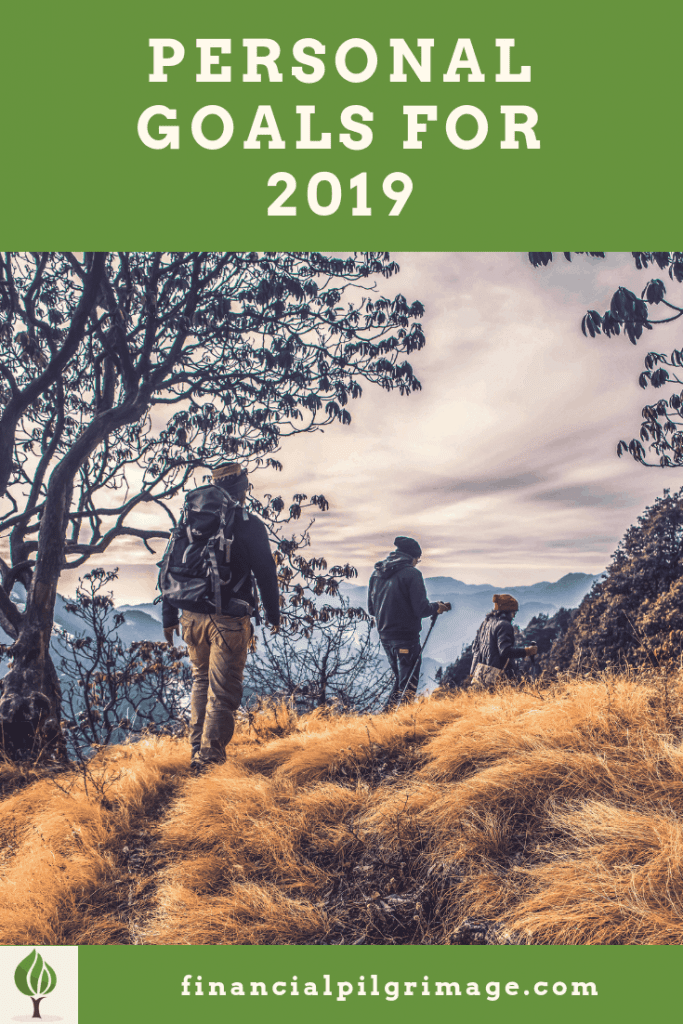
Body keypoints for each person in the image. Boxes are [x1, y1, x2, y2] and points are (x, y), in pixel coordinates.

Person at [161, 463, 280, 771]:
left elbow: (169, 566)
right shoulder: (247, 523)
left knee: (201, 682)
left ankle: (197, 752)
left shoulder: (190, 521)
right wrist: (272, 613)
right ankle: (209, 762)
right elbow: (266, 572)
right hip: (228, 619)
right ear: (241, 489)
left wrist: (168, 616)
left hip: (190, 615)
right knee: (223, 691)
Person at [368, 536, 451, 706]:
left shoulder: (377, 573)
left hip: (385, 636)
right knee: (408, 685)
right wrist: (436, 607)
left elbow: (371, 609)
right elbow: (421, 609)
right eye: (417, 560)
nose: (416, 563)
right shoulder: (412, 574)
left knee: (401, 681)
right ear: (413, 557)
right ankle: (401, 724)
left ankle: (387, 719)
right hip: (406, 638)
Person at [470, 594, 537, 687]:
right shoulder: (504, 625)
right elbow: (505, 651)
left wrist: (473, 670)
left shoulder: (485, 623)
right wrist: (527, 651)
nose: (513, 616)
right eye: (514, 612)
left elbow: (475, 648)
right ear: (507, 611)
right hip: (496, 676)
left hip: (479, 675)